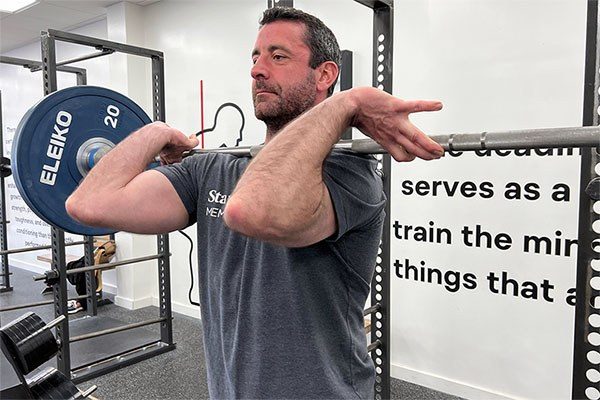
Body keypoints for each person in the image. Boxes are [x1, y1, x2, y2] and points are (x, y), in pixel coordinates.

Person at [66, 7, 444, 399]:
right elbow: (89, 205)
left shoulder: (350, 174)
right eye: (255, 57)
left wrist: (344, 103)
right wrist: (153, 131)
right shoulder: (211, 168)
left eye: (278, 57)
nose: (257, 70)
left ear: (325, 75)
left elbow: (251, 211)